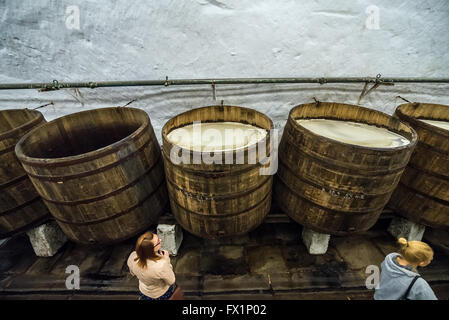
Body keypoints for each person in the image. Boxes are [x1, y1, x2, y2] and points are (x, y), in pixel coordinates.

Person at [127, 231, 176, 300]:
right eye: (158, 242)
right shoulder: (161, 265)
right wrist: (166, 259)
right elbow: (171, 281)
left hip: (144, 291)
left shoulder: (132, 257)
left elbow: (132, 272)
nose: (160, 240)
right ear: (151, 249)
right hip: (160, 293)